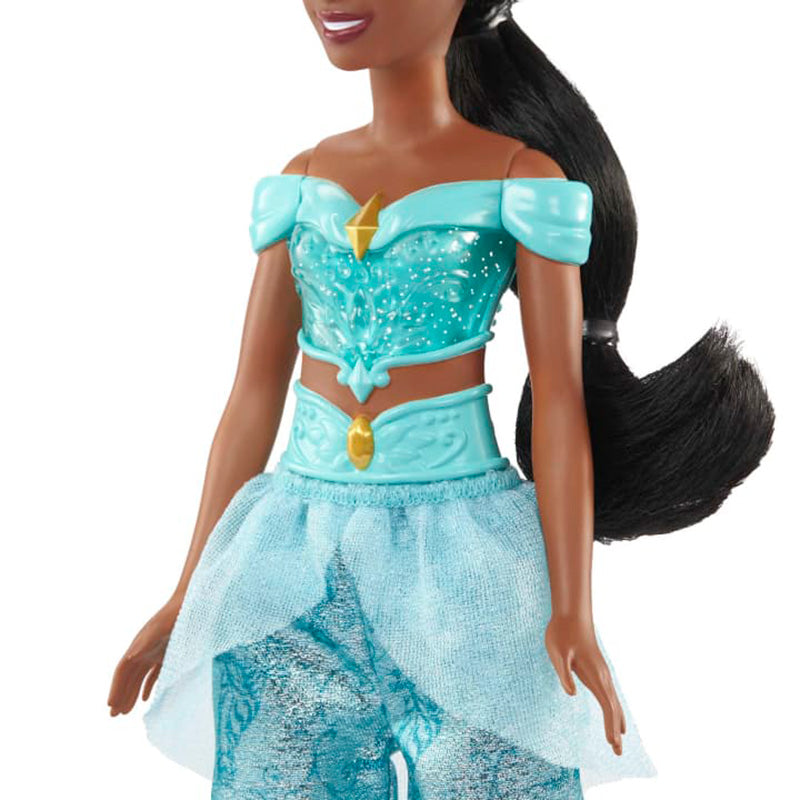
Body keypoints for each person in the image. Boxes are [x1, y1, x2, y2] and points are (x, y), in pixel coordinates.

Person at [107, 1, 774, 797]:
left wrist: (572, 609)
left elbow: (560, 402)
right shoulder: (303, 182)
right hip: (292, 562)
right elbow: (253, 393)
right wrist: (189, 590)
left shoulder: (519, 180)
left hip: (463, 568)